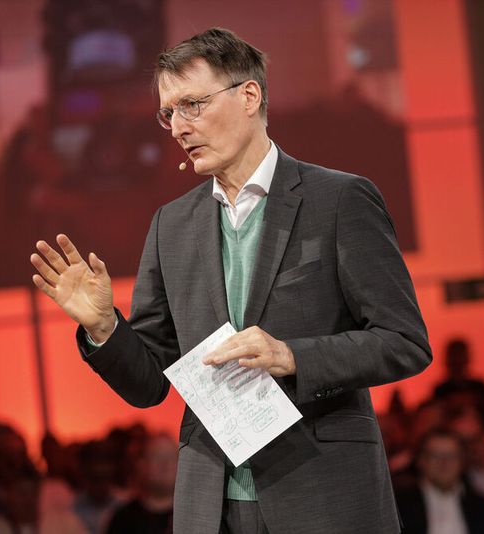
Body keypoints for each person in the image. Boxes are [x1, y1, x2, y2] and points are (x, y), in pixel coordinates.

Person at [29, 27, 431, 534]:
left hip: (321, 495)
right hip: (211, 504)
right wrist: (105, 328)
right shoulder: (172, 225)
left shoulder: (339, 200)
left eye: (192, 105)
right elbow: (150, 384)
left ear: (249, 96)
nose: (178, 127)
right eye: (168, 113)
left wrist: (291, 356)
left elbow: (403, 342)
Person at [395, 430, 484, 534]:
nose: (444, 462)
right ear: (421, 460)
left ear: (462, 461)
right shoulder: (400, 506)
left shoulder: (480, 506)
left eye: (451, 456)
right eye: (435, 456)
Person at [106, 433, 177, 534]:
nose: (166, 464)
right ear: (142, 465)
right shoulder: (123, 519)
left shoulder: (195, 516)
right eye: (157, 457)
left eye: (172, 457)